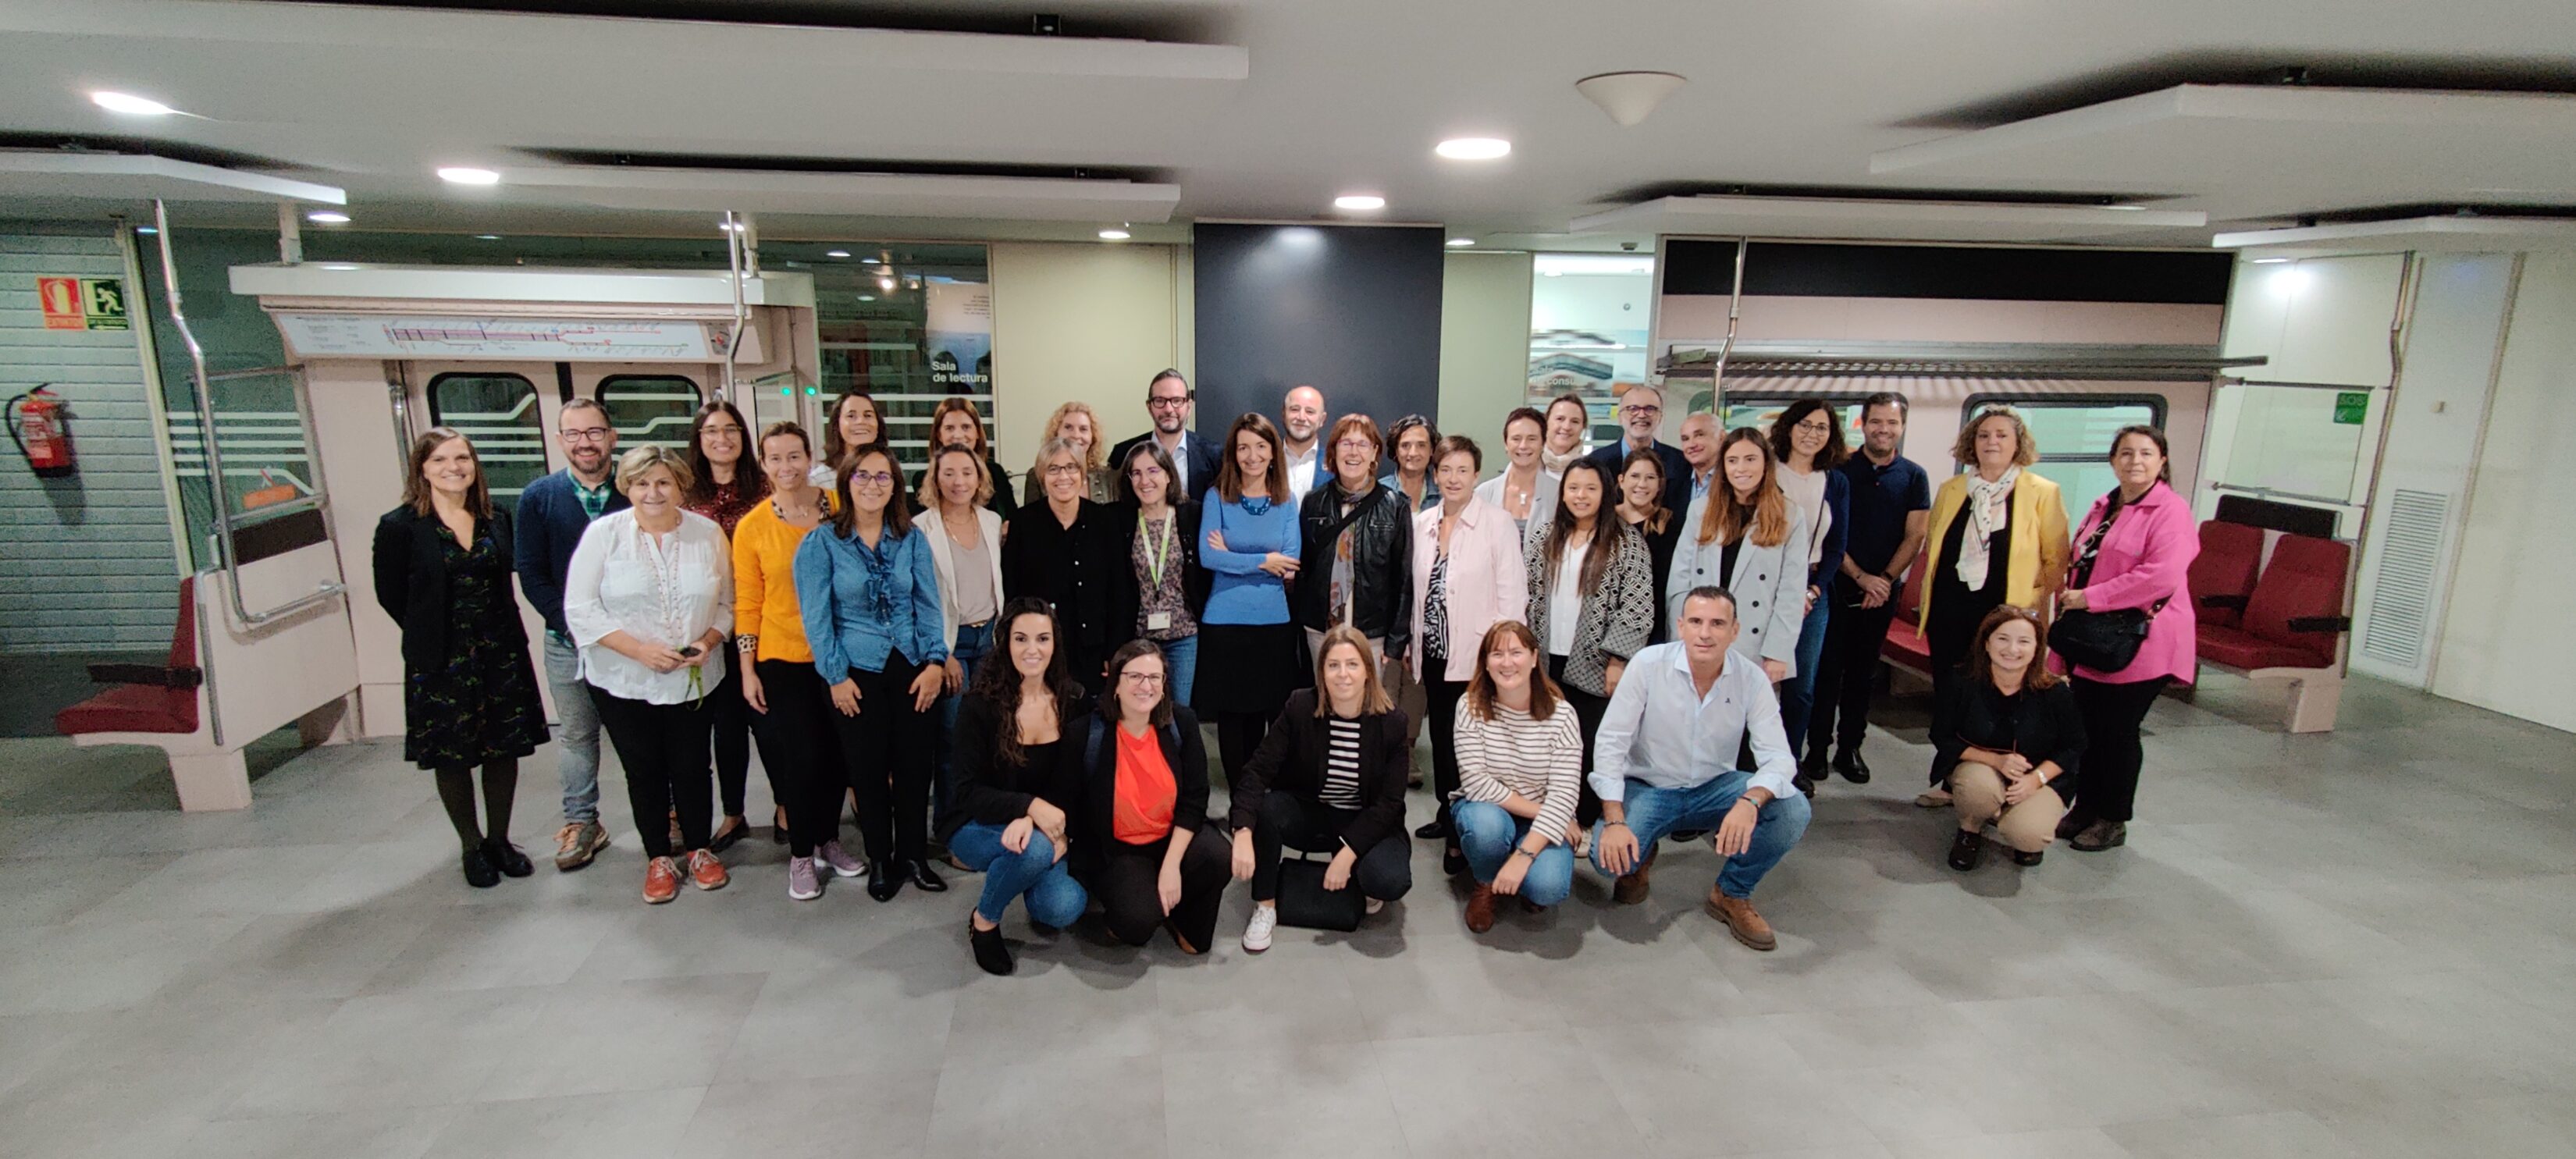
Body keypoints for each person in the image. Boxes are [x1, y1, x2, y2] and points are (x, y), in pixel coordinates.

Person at [372, 429, 550, 887]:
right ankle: (472, 846)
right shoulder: (400, 526)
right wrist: (432, 630)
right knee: (452, 755)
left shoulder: (496, 516)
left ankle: (500, 841)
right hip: (440, 659)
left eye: (462, 458)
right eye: (440, 460)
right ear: (422, 469)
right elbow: (390, 594)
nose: (454, 468)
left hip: (500, 651)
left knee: (503, 748)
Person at [1590, 588, 1811, 951]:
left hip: (1715, 787)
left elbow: (1779, 756)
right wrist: (1614, 820)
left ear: (1735, 631)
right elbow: (1611, 742)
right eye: (1696, 622)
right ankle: (1639, 858)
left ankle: (1731, 892)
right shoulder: (1648, 665)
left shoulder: (1751, 678)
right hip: (1649, 787)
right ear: (1680, 626)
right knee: (1606, 860)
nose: (1705, 633)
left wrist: (1750, 801)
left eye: (1717, 624)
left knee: (1793, 808)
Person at [562, 446, 735, 904]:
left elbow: (729, 603)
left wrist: (708, 642)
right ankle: (658, 856)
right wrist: (639, 651)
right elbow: (580, 609)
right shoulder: (603, 536)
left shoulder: (707, 533)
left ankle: (698, 849)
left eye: (663, 482)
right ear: (627, 487)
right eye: (642, 483)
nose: (653, 492)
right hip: (624, 680)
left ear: (681, 486)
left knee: (693, 766)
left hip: (695, 676)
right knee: (644, 770)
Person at [796, 446, 952, 899]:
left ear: (895, 486)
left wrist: (935, 662)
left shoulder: (911, 539)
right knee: (867, 772)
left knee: (914, 768)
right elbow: (817, 618)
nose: (872, 485)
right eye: (862, 476)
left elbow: (928, 605)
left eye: (883, 477)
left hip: (912, 668)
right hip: (855, 672)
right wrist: (835, 676)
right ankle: (881, 859)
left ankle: (914, 856)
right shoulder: (822, 543)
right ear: (846, 483)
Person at [732, 422, 867, 900]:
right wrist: (747, 668)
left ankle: (830, 840)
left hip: (843, 652)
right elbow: (748, 602)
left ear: (810, 458)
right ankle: (801, 855)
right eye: (775, 458)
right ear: (763, 464)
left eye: (794, 456)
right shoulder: (752, 527)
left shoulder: (840, 507)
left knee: (839, 755)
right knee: (803, 759)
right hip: (786, 658)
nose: (786, 466)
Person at [1228, 626, 1414, 953]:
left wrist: (1348, 853)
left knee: (1388, 880)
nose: (1343, 674)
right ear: (1322, 672)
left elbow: (1389, 803)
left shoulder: (1392, 722)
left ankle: (1361, 878)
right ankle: (1266, 906)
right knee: (1267, 810)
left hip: (1365, 818)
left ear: (1368, 671)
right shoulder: (1300, 706)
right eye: (1333, 665)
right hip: (1313, 811)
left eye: (1352, 664)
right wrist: (1242, 830)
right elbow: (1257, 771)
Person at [2055, 425, 2197, 852]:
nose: (2135, 461)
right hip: (2094, 635)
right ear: (2113, 460)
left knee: (2117, 731)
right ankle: (2085, 807)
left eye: (2146, 454)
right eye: (2126, 453)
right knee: (2087, 728)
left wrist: (2090, 598)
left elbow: (2161, 576)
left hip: (2142, 639)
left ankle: (2113, 819)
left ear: (2162, 461)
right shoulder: (2105, 505)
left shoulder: (2171, 511)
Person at [1918, 404, 2069, 805]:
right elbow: (1934, 548)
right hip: (1951, 613)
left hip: (2006, 618)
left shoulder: (2042, 492)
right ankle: (1951, 781)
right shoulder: (1952, 490)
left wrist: (2032, 611)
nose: (1992, 442)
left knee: (2000, 699)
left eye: (2002, 435)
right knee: (1952, 697)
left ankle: (2004, 782)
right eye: (1984, 435)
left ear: (2018, 443)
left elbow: (2057, 560)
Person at [940, 598, 1091, 975]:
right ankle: (984, 921)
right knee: (1035, 849)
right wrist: (1027, 808)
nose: (1032, 649)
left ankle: (1024, 871)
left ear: (1055, 643)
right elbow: (966, 791)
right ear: (1005, 642)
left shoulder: (1071, 699)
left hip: (1043, 827)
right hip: (975, 822)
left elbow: (1073, 783)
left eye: (1042, 639)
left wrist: (1048, 825)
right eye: (1021, 639)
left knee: (1063, 907)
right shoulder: (979, 705)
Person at [514, 396, 627, 871]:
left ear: (612, 437)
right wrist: (575, 626)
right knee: (578, 735)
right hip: (568, 644)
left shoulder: (635, 489)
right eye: (575, 434)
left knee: (642, 734)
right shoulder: (538, 497)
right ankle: (582, 822)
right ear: (560, 441)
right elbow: (531, 573)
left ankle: (667, 814)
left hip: (631, 645)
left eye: (595, 432)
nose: (586, 443)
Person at [1408, 436, 1529, 865]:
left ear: (1477, 475)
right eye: (1445, 470)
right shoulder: (1423, 522)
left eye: (1463, 470)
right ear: (1435, 475)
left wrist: (1507, 656)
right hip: (1435, 652)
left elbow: (1513, 595)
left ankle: (1467, 832)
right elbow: (1417, 591)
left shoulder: (1497, 523)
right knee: (1442, 739)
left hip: (1479, 657)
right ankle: (1448, 812)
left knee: (1473, 745)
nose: (1453, 478)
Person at [1069, 642, 1232, 954]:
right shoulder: (1086, 733)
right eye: (1135, 677)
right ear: (1115, 683)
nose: (1146, 686)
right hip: (1119, 851)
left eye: (1155, 677)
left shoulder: (1181, 722)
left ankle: (1174, 906)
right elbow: (1068, 801)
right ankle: (1143, 902)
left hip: (1171, 838)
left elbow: (1195, 798)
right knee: (1137, 922)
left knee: (1218, 857)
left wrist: (1171, 865)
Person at [1806, 393, 1930, 787]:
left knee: (1863, 675)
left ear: (1902, 426)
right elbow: (1828, 532)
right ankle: (1817, 750)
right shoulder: (1839, 469)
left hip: (1882, 592)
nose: (1883, 429)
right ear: (1863, 424)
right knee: (1826, 672)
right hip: (1835, 586)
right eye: (1876, 421)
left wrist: (1885, 581)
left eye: (1892, 423)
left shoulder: (1914, 476)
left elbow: (1916, 535)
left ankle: (1850, 748)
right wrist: (1860, 576)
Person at [1522, 457, 1654, 828]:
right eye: (1574, 488)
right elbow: (1525, 592)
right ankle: (1546, 816)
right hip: (1546, 657)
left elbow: (1637, 605)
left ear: (1606, 492)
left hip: (1596, 661)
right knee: (1547, 738)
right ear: (1563, 493)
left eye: (1591, 488)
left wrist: (1618, 660)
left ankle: (1583, 820)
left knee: (1590, 742)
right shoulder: (1544, 536)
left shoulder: (1626, 541)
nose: (1581, 496)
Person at [1451, 619, 1585, 932]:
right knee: (1485, 829)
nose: (1507, 662)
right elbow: (1476, 783)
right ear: (1486, 663)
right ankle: (1486, 882)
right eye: (1497, 654)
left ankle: (1522, 876)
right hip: (1489, 809)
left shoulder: (1562, 715)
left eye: (1516, 652)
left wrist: (1523, 856)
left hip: (1543, 816)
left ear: (1535, 658)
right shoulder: (1469, 706)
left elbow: (1564, 794)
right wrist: (1551, 815)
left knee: (1548, 888)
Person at [1195, 412, 1306, 785]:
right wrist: (1263, 561)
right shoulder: (1217, 497)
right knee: (1232, 715)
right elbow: (1209, 557)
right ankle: (1238, 794)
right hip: (1225, 622)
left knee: (1267, 711)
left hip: (1273, 623)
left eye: (1260, 446)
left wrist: (1235, 557)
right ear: (1233, 453)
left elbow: (1289, 561)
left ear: (1273, 453)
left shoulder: (1286, 501)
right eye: (1243, 448)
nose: (1252, 456)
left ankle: (1259, 791)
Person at [1934, 606, 2083, 871]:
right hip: (1980, 767)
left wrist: (2036, 779)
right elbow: (1941, 736)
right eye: (2003, 639)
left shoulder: (2056, 692)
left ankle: (2015, 820)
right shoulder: (1961, 681)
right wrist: (1996, 761)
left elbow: (2074, 745)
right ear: (1987, 643)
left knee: (2029, 835)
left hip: (2039, 774)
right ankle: (1970, 829)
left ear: (2037, 648)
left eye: (2024, 641)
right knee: (1977, 791)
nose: (2012, 649)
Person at [681, 400, 767, 851]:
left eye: (731, 429)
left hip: (762, 621)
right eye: (711, 431)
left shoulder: (764, 487)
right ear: (699, 439)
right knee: (726, 726)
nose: (722, 438)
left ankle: (786, 805)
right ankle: (734, 813)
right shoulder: (684, 494)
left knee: (768, 721)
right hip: (710, 627)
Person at [1669, 428, 1811, 687]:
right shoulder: (1700, 510)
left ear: (1766, 464)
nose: (1741, 469)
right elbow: (1680, 579)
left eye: (1750, 459)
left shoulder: (1790, 515)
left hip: (1757, 645)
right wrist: (1680, 638)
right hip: (1700, 638)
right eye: (1732, 460)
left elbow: (1791, 592)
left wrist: (1778, 652)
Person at [919, 444, 1007, 833]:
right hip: (950, 646)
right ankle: (951, 826)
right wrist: (942, 654)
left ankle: (982, 816)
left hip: (990, 640)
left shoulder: (991, 521)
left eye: (967, 473)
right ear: (935, 479)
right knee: (954, 738)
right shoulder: (922, 528)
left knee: (989, 735)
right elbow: (920, 598)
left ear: (979, 478)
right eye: (949, 473)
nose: (959, 482)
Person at [1002, 436, 1137, 686]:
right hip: (1040, 652)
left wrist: (1115, 651)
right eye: (1053, 469)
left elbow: (1121, 590)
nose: (1063, 476)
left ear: (1082, 474)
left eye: (1071, 467)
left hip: (1095, 651)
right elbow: (1012, 591)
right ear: (1042, 476)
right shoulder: (1023, 523)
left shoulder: (1105, 521)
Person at [1292, 414, 1414, 677]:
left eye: (1362, 444)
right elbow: (1304, 571)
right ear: (1334, 451)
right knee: (1325, 698)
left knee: (1368, 701)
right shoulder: (1314, 502)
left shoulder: (1395, 506)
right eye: (1346, 443)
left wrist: (1395, 642)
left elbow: (1404, 580)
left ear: (1375, 453)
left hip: (1372, 634)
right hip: (1320, 632)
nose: (1353, 452)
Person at [1769, 400, 1852, 784]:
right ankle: (1752, 763)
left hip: (1812, 589)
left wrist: (1814, 592)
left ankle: (1789, 764)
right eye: (1805, 424)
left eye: (1821, 428)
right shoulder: (1768, 471)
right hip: (1766, 584)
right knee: (1758, 680)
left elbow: (1836, 547)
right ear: (1789, 427)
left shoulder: (1836, 482)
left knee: (1801, 686)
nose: (1812, 434)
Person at [1120, 439, 1208, 704]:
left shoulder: (1192, 515)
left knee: (1178, 712)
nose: (1144, 481)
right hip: (1138, 637)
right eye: (1136, 473)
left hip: (1183, 635)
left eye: (1153, 471)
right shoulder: (1120, 520)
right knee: (1142, 710)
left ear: (1169, 475)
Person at [1108, 368, 1222, 502]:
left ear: (1189, 407)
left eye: (1177, 400)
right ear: (1149, 407)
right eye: (1160, 401)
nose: (1168, 409)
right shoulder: (1123, 454)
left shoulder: (1215, 456)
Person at [1582, 384, 1690, 516]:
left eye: (1650, 409)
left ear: (1660, 417)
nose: (1642, 415)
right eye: (1633, 409)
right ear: (1620, 417)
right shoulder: (1596, 462)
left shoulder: (1679, 463)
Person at [1615, 448, 1682, 644]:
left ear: (1660, 484)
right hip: (1606, 624)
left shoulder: (1671, 524)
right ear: (1621, 480)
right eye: (1635, 476)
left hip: (1655, 626)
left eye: (1650, 478)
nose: (1642, 484)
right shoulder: (1604, 520)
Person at [1474, 406, 1560, 545]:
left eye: (1532, 439)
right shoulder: (1483, 494)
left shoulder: (1559, 493)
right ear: (1506, 444)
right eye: (1516, 439)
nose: (1523, 446)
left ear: (1543, 444)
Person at [929, 395, 1016, 520]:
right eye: (949, 428)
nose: (958, 435)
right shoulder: (925, 479)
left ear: (978, 432)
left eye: (966, 427)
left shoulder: (996, 473)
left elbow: (1012, 517)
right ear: (939, 435)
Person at [1021, 400, 1119, 506]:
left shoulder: (1108, 476)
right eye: (1068, 427)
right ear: (1056, 433)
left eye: (1083, 429)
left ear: (1093, 436)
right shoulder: (1036, 475)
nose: (1076, 435)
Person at [815, 390, 893, 489]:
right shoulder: (819, 480)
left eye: (868, 415)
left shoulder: (890, 472)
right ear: (837, 425)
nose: (861, 421)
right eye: (851, 416)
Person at [1379, 414, 1442, 513]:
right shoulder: (1380, 492)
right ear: (1396, 450)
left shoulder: (1443, 492)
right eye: (1405, 446)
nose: (1413, 453)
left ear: (1432, 450)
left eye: (1421, 445)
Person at [1279, 385, 1328, 503]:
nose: (1301, 417)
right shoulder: (1265, 460)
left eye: (1310, 412)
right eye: (1294, 409)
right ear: (1284, 414)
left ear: (1322, 420)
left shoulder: (1334, 465)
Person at [1540, 393, 1590, 475]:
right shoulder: (1526, 464)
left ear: (1583, 427)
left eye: (1575, 421)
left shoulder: (1590, 472)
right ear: (1546, 422)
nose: (1567, 427)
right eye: (1560, 419)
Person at [1678, 412, 1720, 505]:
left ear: (1722, 437)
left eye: (1699, 435)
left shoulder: (1733, 480)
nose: (1691, 445)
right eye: (1685, 439)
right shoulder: (1676, 483)